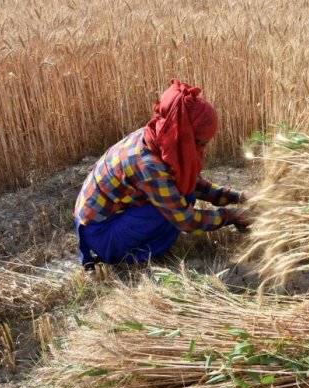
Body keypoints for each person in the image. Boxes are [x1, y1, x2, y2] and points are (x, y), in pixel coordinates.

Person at [74, 79, 253, 269]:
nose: (203, 150)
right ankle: (125, 254)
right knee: (172, 210)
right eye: (201, 144)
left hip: (107, 217)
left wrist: (238, 196)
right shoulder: (149, 165)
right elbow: (186, 220)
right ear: (183, 136)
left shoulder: (159, 134)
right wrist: (232, 215)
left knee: (182, 193)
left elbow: (189, 181)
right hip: (102, 233)